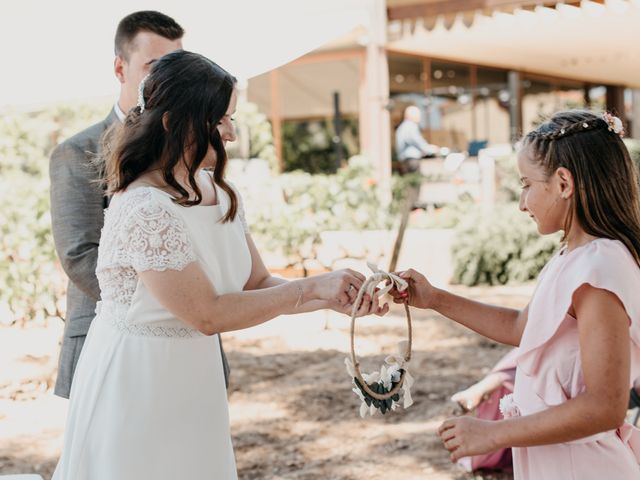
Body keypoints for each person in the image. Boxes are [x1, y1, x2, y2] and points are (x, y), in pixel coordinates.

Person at [52, 50, 388, 479]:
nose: (230, 132)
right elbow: (207, 313)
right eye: (219, 120)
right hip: (139, 382)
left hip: (195, 375)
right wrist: (311, 287)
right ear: (175, 123)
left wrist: (334, 296)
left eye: (231, 118)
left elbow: (259, 283)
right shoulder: (143, 208)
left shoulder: (219, 192)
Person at [390, 110, 640, 478]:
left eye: (526, 184)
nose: (522, 203)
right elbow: (525, 327)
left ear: (563, 183)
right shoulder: (573, 256)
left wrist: (494, 434)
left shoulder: (599, 269)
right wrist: (434, 298)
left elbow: (605, 406)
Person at [47, 11, 229, 399]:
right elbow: (79, 253)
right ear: (120, 68)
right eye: (152, 65)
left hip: (193, 335)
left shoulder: (198, 146)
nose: (165, 74)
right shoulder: (77, 151)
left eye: (173, 62)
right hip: (114, 340)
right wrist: (173, 304)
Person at [394, 105, 439, 174]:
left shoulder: (402, 127)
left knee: (408, 182)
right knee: (414, 182)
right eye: (418, 115)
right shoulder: (410, 126)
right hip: (411, 160)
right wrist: (431, 149)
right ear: (410, 115)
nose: (420, 117)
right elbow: (416, 141)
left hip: (405, 160)